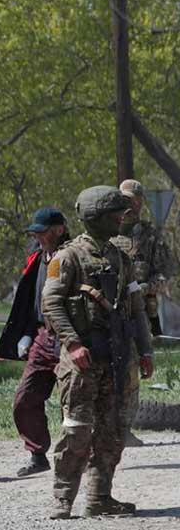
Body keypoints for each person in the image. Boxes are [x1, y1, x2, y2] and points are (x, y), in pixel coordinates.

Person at [43, 185, 154, 520]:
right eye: (116, 213)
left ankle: (99, 497)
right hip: (83, 360)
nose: (123, 217)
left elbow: (135, 309)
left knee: (112, 430)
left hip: (118, 357)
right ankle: (63, 498)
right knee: (77, 429)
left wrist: (145, 350)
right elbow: (51, 302)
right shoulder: (68, 257)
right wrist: (73, 344)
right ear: (97, 217)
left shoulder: (120, 258)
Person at [0, 207, 70, 477]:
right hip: (43, 335)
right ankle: (38, 454)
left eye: (43, 232)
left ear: (59, 230)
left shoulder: (73, 256)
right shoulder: (38, 259)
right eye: (35, 233)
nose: (38, 237)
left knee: (71, 402)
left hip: (70, 336)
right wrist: (27, 334)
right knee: (24, 398)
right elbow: (31, 303)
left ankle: (75, 457)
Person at [111, 179, 175, 447]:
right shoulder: (106, 232)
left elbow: (167, 273)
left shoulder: (150, 237)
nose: (130, 206)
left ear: (140, 203)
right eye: (125, 200)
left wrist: (147, 286)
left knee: (132, 369)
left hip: (138, 313)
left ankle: (124, 427)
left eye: (134, 201)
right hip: (107, 313)